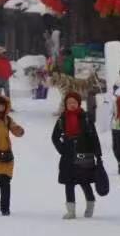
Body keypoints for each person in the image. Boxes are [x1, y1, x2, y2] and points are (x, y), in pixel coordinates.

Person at [51, 92, 102, 220]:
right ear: (66, 105)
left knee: (84, 181)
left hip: (84, 152)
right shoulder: (62, 119)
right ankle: (71, 211)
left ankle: (90, 203)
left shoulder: (85, 118)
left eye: (74, 102)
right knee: (69, 182)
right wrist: (62, 149)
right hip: (68, 154)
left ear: (79, 103)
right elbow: (54, 137)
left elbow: (93, 136)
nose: (71, 105)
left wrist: (98, 154)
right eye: (69, 103)